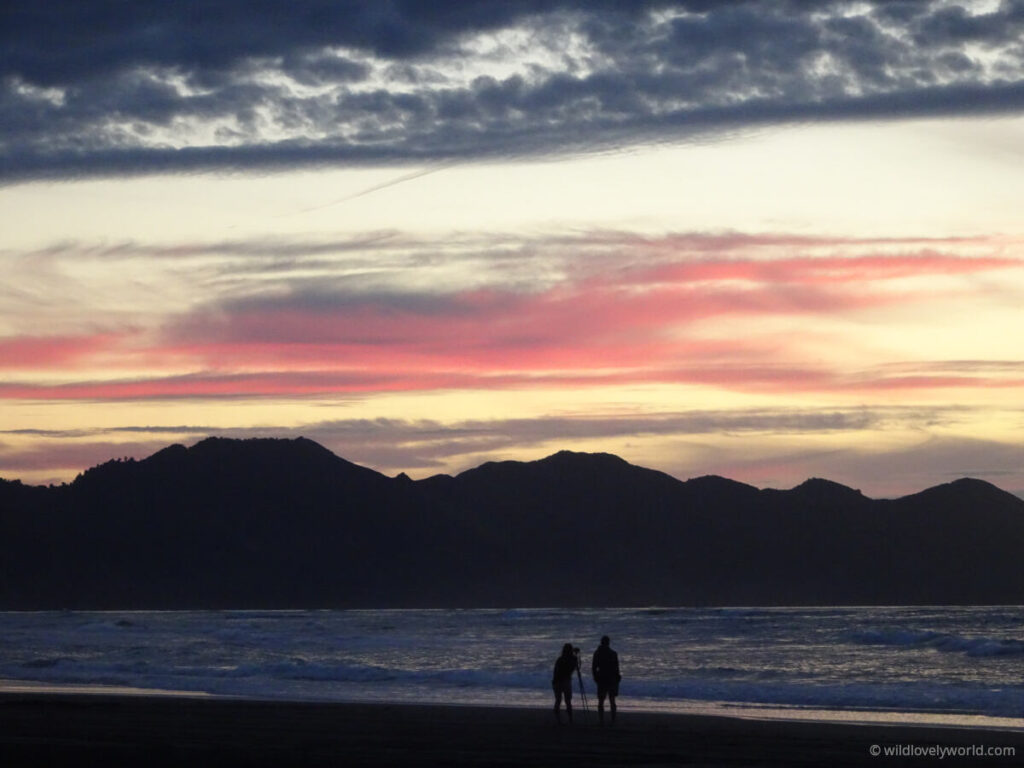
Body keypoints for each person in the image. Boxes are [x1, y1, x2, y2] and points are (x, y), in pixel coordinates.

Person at [591, 635, 621, 725]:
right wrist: (617, 677)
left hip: (602, 679)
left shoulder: (597, 653)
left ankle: (601, 720)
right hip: (611, 679)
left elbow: (594, 668)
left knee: (601, 700)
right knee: (612, 700)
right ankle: (613, 720)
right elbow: (616, 668)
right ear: (608, 643)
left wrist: (595, 677)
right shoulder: (613, 653)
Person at [552, 642, 578, 724]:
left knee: (558, 700)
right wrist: (576, 656)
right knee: (567, 701)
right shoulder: (571, 659)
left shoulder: (560, 659)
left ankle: (559, 719)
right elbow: (575, 668)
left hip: (557, 681)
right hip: (564, 681)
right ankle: (570, 719)